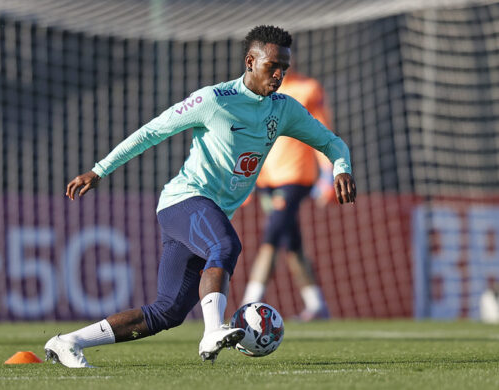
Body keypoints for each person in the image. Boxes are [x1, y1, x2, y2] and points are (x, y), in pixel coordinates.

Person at [44, 25, 356, 368]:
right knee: (225, 245)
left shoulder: (283, 109)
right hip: (184, 200)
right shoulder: (214, 100)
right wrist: (100, 169)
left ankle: (68, 342)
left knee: (167, 312)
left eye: (285, 68)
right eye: (273, 67)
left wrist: (341, 167)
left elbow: (331, 141)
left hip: (208, 214)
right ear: (250, 61)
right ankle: (213, 331)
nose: (280, 75)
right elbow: (152, 132)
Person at [241, 69, 335, 321]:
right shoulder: (257, 92)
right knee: (292, 243)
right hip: (266, 180)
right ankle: (316, 305)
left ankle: (249, 304)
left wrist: (329, 174)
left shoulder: (307, 89)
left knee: (271, 238)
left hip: (295, 177)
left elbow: (322, 133)